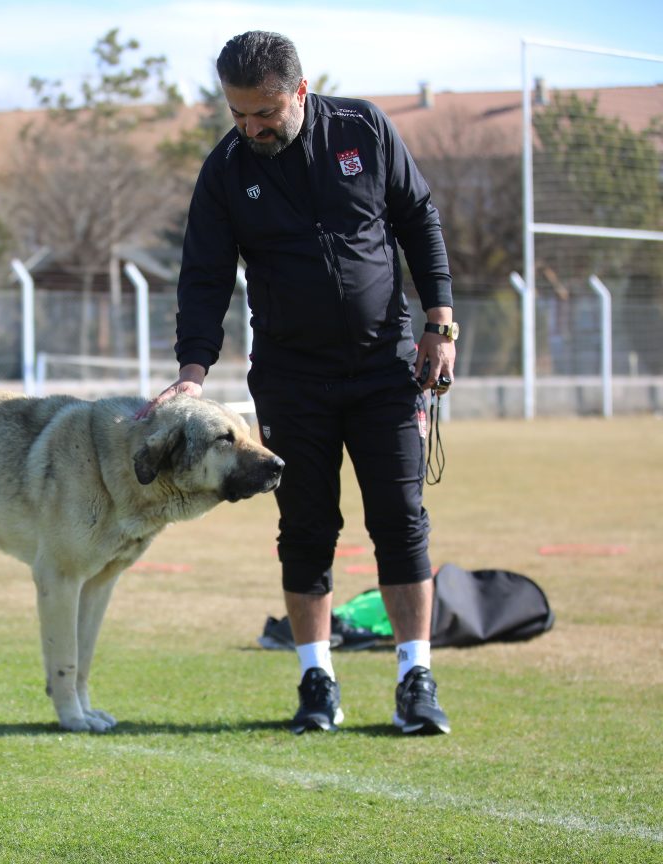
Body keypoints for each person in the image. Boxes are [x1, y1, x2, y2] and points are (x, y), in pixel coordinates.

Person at [144, 31, 456, 735]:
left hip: (386, 368)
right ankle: (317, 679)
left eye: (264, 114)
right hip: (291, 379)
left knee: (401, 524)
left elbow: (418, 218)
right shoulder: (225, 171)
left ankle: (415, 678)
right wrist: (192, 371)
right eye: (237, 114)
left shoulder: (363, 129)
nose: (250, 127)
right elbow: (204, 278)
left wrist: (440, 320)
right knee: (306, 529)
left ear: (300, 91)